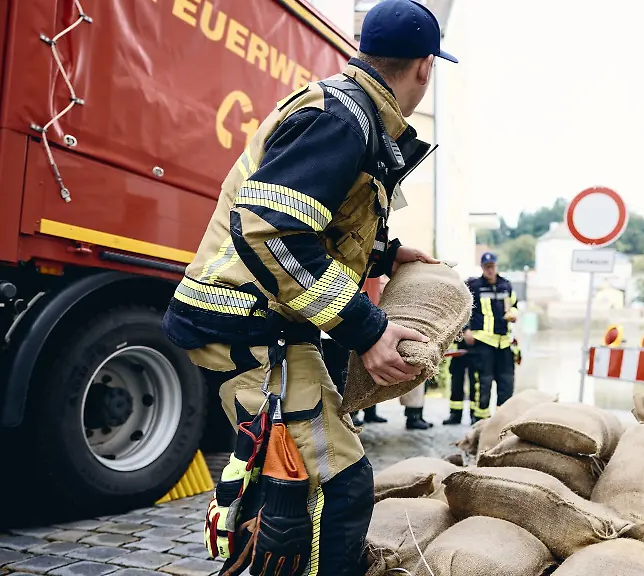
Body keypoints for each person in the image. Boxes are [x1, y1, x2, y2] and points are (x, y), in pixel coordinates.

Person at [161, 0, 456, 572]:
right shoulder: (342, 120)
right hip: (246, 326)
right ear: (425, 67)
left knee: (290, 472)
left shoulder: (348, 112)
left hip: (254, 323)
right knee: (335, 482)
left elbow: (315, 226)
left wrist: (384, 254)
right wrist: (367, 329)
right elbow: (271, 231)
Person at [463, 253, 517, 423]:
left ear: (496, 266)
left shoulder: (506, 285)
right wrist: (466, 329)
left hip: (504, 342)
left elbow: (514, 306)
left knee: (506, 383)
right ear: (482, 268)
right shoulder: (474, 286)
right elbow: (463, 309)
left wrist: (513, 314)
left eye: (492, 266)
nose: (490, 269)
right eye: (487, 266)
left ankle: (503, 420)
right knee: (483, 383)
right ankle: (481, 421)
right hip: (483, 342)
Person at [320, 333, 386, 426]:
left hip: (353, 336)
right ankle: (349, 413)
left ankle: (368, 413)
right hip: (335, 338)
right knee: (342, 376)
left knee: (364, 375)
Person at [442, 324, 478, 425]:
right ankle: (455, 415)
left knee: (475, 384)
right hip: (458, 350)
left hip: (477, 349)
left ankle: (474, 414)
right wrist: (465, 329)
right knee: (456, 384)